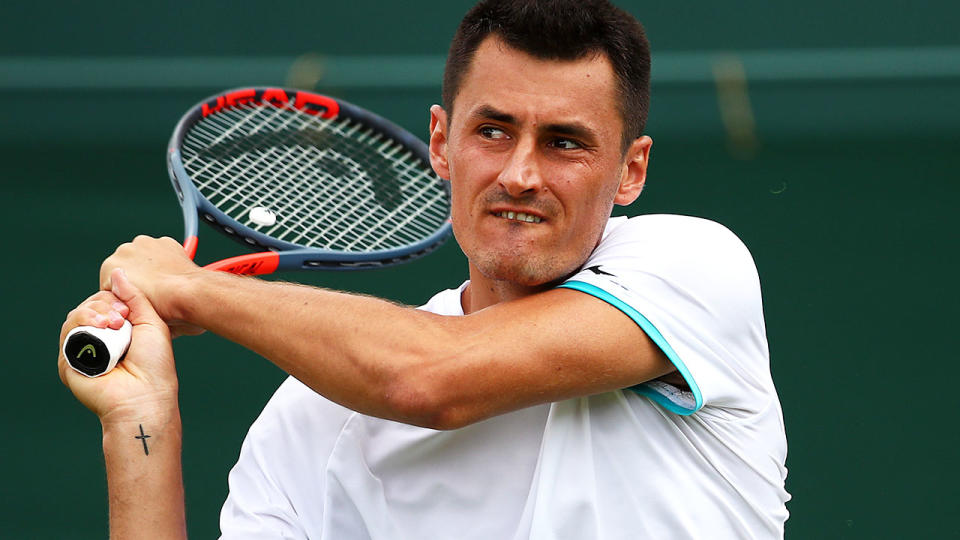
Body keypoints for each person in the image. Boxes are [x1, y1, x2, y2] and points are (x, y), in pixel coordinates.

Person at [58, 0, 790, 538]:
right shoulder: (315, 416)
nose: (521, 174)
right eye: (493, 131)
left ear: (631, 171)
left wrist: (192, 288)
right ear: (442, 143)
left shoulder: (695, 268)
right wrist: (139, 422)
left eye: (565, 142)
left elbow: (424, 379)